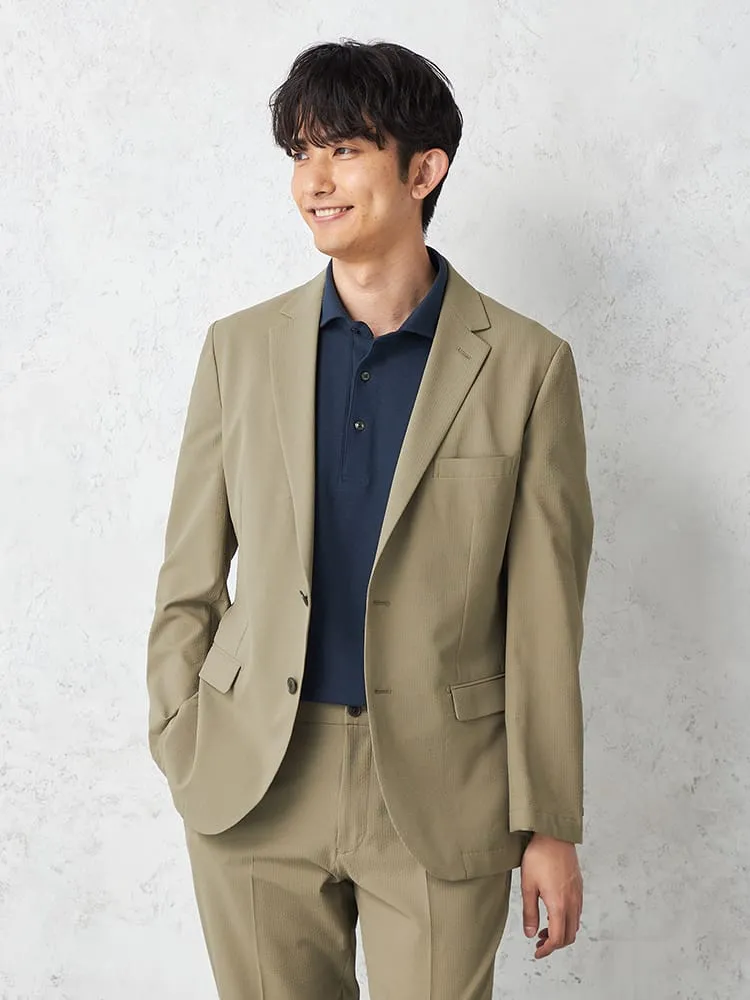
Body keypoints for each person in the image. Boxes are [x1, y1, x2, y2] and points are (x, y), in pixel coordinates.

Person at [146, 38, 595, 1000]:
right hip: (255, 779)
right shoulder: (238, 351)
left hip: (442, 789)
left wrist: (550, 823)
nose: (314, 181)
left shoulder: (526, 366)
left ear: (424, 171)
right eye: (301, 154)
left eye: (344, 150)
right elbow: (189, 578)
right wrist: (181, 733)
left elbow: (545, 620)